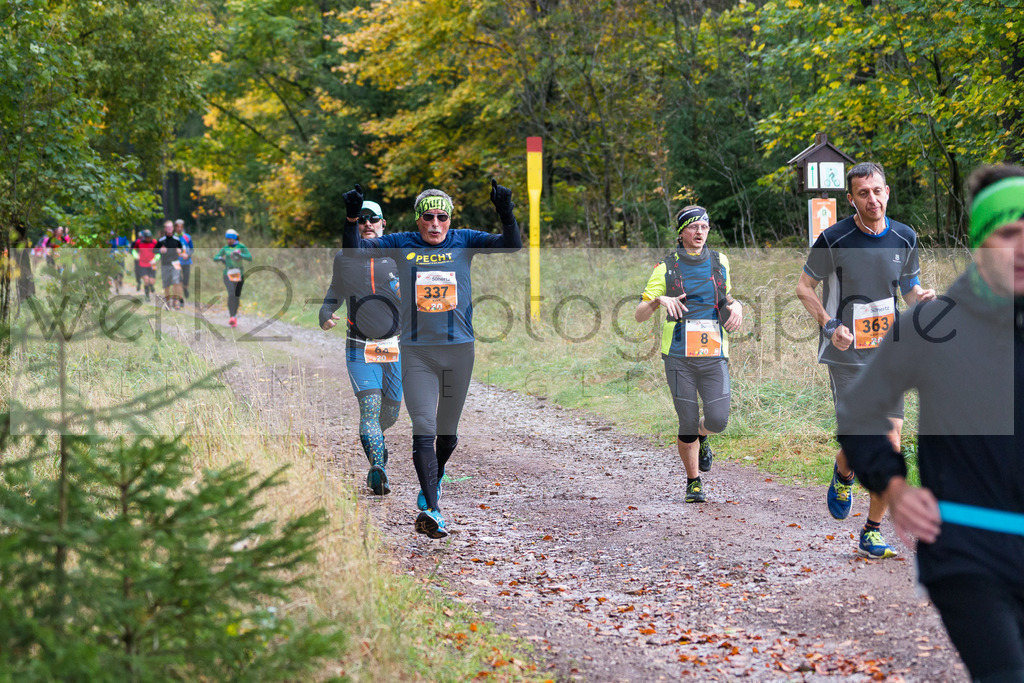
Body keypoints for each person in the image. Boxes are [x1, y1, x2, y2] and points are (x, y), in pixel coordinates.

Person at [837, 164, 1024, 682]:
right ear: (982, 242)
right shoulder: (931, 325)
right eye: (1010, 232)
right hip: (969, 551)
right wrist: (893, 486)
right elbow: (859, 411)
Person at [342, 180, 521, 539]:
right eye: (428, 217)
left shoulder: (465, 240)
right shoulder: (400, 243)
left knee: (447, 433)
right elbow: (354, 252)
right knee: (423, 426)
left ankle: (433, 479)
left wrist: (506, 212)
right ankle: (432, 511)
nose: (435, 224)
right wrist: (350, 218)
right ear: (418, 220)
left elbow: (511, 245)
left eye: (442, 217)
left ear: (450, 220)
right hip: (416, 351)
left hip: (459, 351)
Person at [795, 162, 937, 559]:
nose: (872, 200)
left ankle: (871, 530)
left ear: (887, 192)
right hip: (847, 353)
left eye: (877, 191)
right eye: (863, 193)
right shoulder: (834, 238)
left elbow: (908, 287)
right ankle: (844, 472)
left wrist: (920, 298)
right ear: (851, 198)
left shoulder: (905, 237)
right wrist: (829, 324)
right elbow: (804, 287)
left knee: (890, 440)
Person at [634, 206, 743, 504]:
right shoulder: (665, 268)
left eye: (704, 227)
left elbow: (726, 297)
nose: (699, 233)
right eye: (693, 227)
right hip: (678, 356)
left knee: (718, 420)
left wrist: (739, 307)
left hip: (714, 353)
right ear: (681, 232)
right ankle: (693, 482)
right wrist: (659, 300)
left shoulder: (720, 262)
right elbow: (639, 314)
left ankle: (703, 436)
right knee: (687, 419)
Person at [320, 199, 403, 496]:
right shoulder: (344, 257)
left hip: (395, 346)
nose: (368, 223)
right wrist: (324, 312)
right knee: (369, 408)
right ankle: (377, 469)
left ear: (384, 223)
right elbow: (335, 291)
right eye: (362, 219)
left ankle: (375, 441)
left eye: (374, 219)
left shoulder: (397, 254)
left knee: (390, 413)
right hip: (359, 346)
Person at [212, 228, 252, 327]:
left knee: (237, 295)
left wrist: (240, 255)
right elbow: (215, 258)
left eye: (230, 239)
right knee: (231, 293)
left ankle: (234, 315)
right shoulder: (225, 248)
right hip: (228, 273)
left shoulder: (241, 246)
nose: (229, 241)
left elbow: (249, 258)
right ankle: (231, 317)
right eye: (227, 239)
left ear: (235, 239)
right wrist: (221, 258)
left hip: (239, 273)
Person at [155, 220, 185, 309]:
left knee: (176, 282)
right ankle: (168, 302)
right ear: (165, 229)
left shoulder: (177, 239)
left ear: (173, 228)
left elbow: (181, 249)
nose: (169, 229)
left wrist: (180, 251)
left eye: (171, 227)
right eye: (167, 227)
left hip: (175, 263)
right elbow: (154, 250)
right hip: (165, 264)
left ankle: (176, 302)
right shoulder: (161, 240)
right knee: (167, 284)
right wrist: (160, 250)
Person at [130, 229, 158, 300]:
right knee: (146, 280)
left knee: (151, 281)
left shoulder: (154, 242)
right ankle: (147, 295)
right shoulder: (139, 242)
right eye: (147, 237)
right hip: (142, 264)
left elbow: (158, 252)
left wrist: (155, 259)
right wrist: (136, 256)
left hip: (152, 264)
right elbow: (133, 250)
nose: (148, 239)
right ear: (144, 237)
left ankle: (151, 285)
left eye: (149, 237)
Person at [174, 219, 195, 300]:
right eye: (178, 227)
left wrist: (188, 254)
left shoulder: (187, 237)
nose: (179, 228)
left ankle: (185, 288)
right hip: (176, 261)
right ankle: (180, 297)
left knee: (186, 279)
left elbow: (192, 249)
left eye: (181, 227)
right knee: (179, 280)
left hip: (186, 261)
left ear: (183, 227)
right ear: (175, 228)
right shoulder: (172, 237)